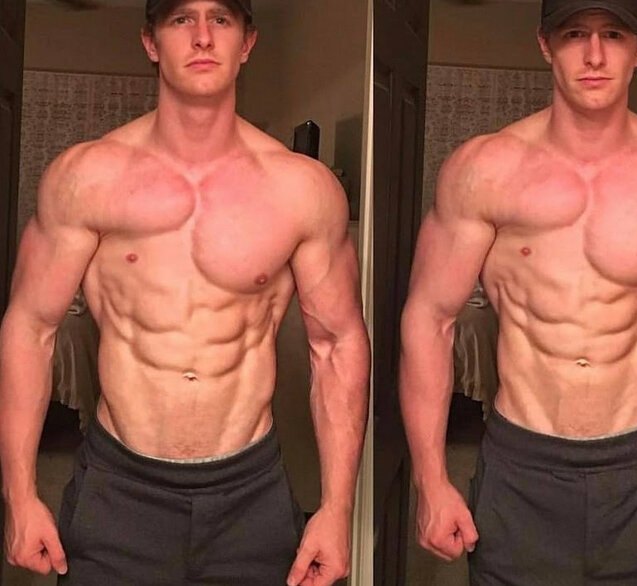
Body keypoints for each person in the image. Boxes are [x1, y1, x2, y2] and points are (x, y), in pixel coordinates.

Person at [0, 1, 369, 584]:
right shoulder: (86, 178)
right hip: (118, 489)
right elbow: (30, 327)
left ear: (247, 42)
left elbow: (337, 344)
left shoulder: (302, 189)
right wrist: (20, 496)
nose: (201, 37)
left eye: (220, 19)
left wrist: (336, 509)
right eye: (180, 20)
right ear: (151, 42)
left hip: (250, 493)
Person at [400, 0, 637, 584]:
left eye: (614, 35)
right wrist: (430, 480)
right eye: (574, 34)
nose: (594, 55)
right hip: (520, 467)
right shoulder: (484, 170)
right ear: (545, 44)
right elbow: (429, 319)